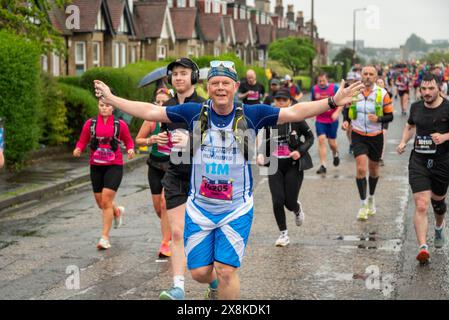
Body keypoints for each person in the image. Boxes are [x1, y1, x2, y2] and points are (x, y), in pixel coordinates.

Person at [93, 60, 363, 300]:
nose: (220, 88)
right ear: (207, 87)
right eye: (214, 83)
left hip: (235, 209)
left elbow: (295, 112)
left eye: (225, 83)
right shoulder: (192, 112)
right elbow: (150, 112)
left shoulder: (252, 113)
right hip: (200, 209)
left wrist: (332, 102)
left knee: (225, 270)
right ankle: (211, 284)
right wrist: (113, 98)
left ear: (235, 87)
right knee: (199, 272)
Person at [158, 58, 206, 300]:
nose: (178, 78)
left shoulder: (205, 106)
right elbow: (164, 137)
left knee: (202, 232)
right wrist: (159, 141)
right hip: (176, 173)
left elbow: (216, 139)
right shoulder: (166, 106)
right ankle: (178, 287)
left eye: (183, 73)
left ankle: (214, 278)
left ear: (193, 77)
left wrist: (192, 140)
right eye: (175, 74)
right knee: (177, 232)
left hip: (203, 175)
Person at [397, 72, 449, 264]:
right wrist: (403, 141)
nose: (426, 92)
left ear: (440, 88)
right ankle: (422, 247)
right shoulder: (416, 107)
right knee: (421, 204)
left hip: (442, 161)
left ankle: (439, 226)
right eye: (423, 89)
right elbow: (410, 126)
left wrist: (444, 137)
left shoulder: (447, 107)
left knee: (438, 203)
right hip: (419, 160)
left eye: (431, 89)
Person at [73, 98, 135, 250]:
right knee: (101, 203)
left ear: (113, 107)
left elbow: (128, 140)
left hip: (114, 166)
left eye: (107, 105)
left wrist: (130, 149)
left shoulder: (120, 125)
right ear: (98, 106)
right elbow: (82, 140)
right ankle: (117, 210)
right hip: (96, 166)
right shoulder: (90, 124)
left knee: (106, 200)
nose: (104, 108)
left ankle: (104, 238)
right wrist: (78, 148)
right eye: (102, 105)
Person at [257, 88, 314, 247]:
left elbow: (310, 137)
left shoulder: (297, 118)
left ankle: (296, 209)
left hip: (293, 165)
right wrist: (261, 154)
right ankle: (283, 234)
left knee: (289, 202)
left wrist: (299, 151)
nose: (280, 102)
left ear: (290, 101)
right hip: (274, 164)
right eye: (278, 99)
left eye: (284, 100)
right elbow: (265, 141)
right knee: (277, 201)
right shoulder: (270, 119)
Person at [342, 66, 393, 221]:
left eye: (371, 74)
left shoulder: (383, 94)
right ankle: (363, 204)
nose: (368, 76)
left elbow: (390, 116)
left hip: (375, 136)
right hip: (358, 134)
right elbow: (347, 108)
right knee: (361, 168)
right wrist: (346, 120)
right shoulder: (354, 91)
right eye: (365, 74)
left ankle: (371, 197)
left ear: (375, 76)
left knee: (374, 170)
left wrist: (379, 119)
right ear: (361, 75)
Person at [135, 88, 172, 258]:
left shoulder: (175, 120)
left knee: (165, 203)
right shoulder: (151, 120)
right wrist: (151, 140)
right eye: (157, 101)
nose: (159, 105)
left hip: (172, 166)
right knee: (159, 208)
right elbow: (138, 140)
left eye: (163, 101)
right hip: (155, 166)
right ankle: (172, 228)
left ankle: (166, 242)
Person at [311, 73, 342, 175]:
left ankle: (335, 153)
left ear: (327, 80)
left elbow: (341, 101)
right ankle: (323, 165)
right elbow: (313, 103)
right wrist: (311, 113)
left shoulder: (334, 88)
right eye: (319, 81)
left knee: (332, 143)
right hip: (320, 119)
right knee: (321, 139)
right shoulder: (314, 89)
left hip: (332, 120)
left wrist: (337, 112)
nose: (321, 83)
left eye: (323, 80)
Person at [376, 78, 393, 166]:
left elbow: (390, 107)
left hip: (384, 117)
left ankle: (381, 158)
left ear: (384, 84)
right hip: (375, 118)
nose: (379, 84)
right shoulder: (373, 93)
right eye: (378, 82)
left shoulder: (387, 94)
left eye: (381, 82)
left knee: (383, 135)